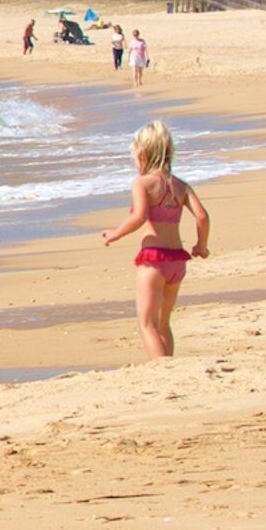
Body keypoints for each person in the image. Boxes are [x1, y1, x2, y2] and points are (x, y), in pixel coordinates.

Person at [98, 122, 213, 356]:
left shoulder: (142, 183)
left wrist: (116, 233)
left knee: (147, 324)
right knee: (163, 324)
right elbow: (202, 216)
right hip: (177, 262)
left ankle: (163, 370)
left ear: (142, 152)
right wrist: (201, 245)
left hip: (153, 261)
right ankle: (170, 364)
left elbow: (139, 217)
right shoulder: (181, 185)